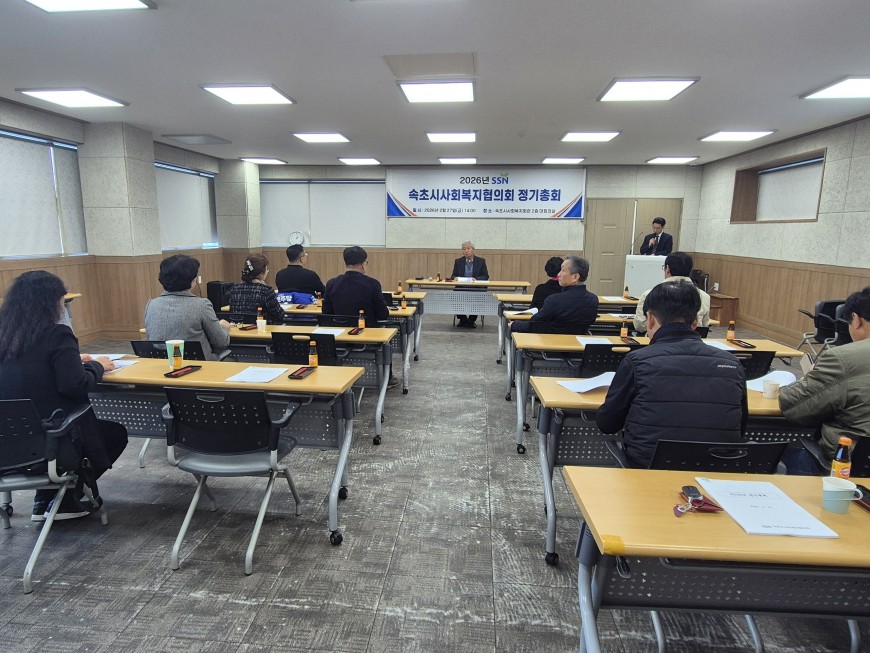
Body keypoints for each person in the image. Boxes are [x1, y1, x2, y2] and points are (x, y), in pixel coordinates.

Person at [0, 271, 128, 520]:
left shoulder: (6, 335)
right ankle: (66, 499)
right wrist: (98, 365)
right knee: (114, 434)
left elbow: (28, 367)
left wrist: (71, 360)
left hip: (8, 443)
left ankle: (45, 499)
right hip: (50, 442)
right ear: (50, 303)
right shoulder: (57, 335)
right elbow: (74, 385)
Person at [597, 280, 747, 468]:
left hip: (649, 468)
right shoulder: (732, 364)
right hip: (717, 469)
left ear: (650, 319)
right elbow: (740, 427)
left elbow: (608, 424)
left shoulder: (637, 361)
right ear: (695, 322)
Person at [779, 287, 870, 474]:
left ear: (856, 319)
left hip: (847, 470)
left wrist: (810, 378)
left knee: (777, 456)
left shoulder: (843, 358)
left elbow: (793, 406)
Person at [323, 246, 397, 388]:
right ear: (363, 264)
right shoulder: (373, 284)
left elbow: (326, 314)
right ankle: (387, 378)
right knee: (387, 337)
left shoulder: (331, 284)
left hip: (339, 340)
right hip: (368, 339)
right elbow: (383, 314)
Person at [144, 254, 231, 360]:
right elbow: (221, 342)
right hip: (198, 365)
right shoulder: (202, 305)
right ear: (193, 280)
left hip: (160, 365)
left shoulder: (151, 305)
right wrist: (223, 327)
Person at [511, 256, 598, 335]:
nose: (558, 274)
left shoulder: (554, 300)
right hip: (579, 345)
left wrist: (514, 324)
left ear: (575, 277)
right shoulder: (593, 300)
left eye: (563, 270)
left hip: (550, 345)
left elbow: (533, 324)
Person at [633, 251, 710, 333]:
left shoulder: (649, 294)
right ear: (690, 270)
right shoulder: (705, 296)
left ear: (667, 269)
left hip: (658, 340)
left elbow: (639, 326)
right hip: (693, 340)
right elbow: (704, 325)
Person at [227, 254, 284, 324]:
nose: (267, 271)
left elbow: (232, 313)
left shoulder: (234, 289)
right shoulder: (266, 291)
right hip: (262, 329)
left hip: (237, 328)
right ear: (261, 274)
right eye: (267, 269)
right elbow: (279, 316)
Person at [451, 241, 489, 328]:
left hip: (475, 287)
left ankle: (471, 320)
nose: (466, 251)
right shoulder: (458, 261)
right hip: (462, 287)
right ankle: (463, 319)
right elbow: (453, 275)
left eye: (468, 248)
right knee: (455, 295)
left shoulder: (481, 261)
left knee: (479, 295)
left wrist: (476, 279)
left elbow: (485, 276)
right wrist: (455, 278)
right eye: (464, 249)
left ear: (473, 249)